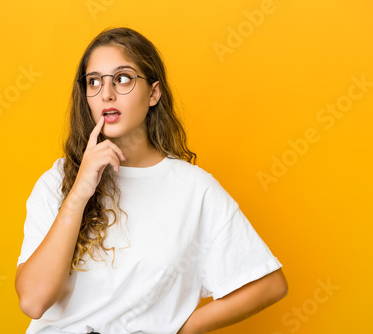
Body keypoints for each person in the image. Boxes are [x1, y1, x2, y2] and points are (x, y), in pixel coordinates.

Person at [15, 27, 288, 334]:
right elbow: (33, 302)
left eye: (122, 78)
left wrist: (183, 328)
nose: (107, 93)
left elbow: (269, 285)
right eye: (94, 81)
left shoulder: (194, 189)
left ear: (154, 93)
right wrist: (79, 193)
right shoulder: (58, 181)